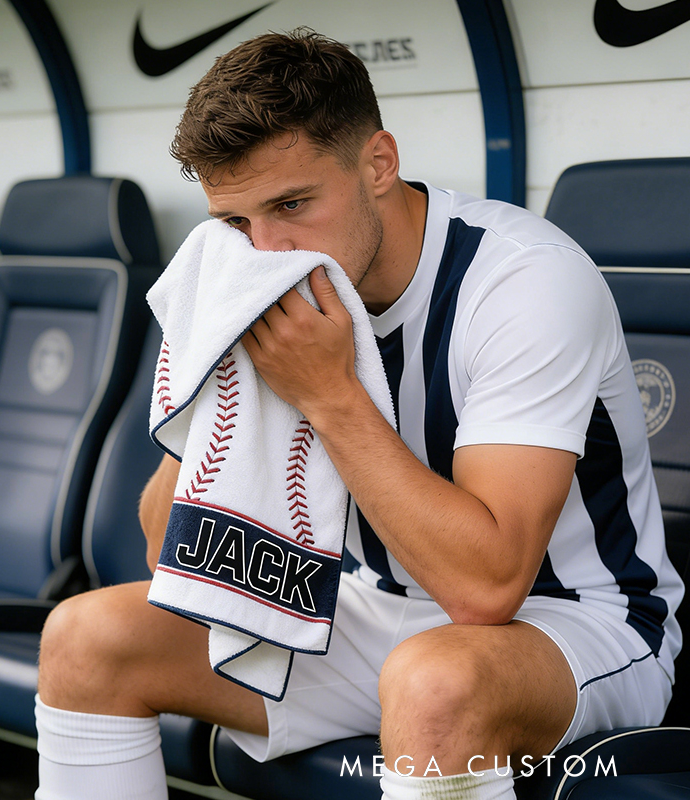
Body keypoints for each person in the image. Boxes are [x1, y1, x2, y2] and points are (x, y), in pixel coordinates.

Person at [34, 28, 683, 800]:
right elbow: (164, 550)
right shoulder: (251, 283)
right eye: (236, 223)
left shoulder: (524, 282)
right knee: (86, 636)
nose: (269, 253)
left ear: (379, 163)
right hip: (376, 606)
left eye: (292, 204)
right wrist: (220, 380)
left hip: (576, 622)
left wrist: (328, 393)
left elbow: (487, 592)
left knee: (436, 683)